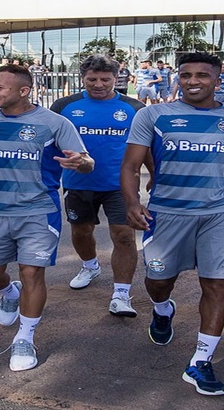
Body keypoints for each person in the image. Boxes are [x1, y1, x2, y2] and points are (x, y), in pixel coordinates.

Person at [121, 52, 224, 396]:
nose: (193, 81)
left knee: (218, 285)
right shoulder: (152, 114)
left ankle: (200, 362)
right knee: (158, 281)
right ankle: (162, 309)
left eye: (202, 75)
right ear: (177, 78)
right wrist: (133, 202)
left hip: (222, 214)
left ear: (218, 77)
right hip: (166, 214)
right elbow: (131, 166)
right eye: (186, 75)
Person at [0, 64, 94, 372]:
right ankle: (9, 294)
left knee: (32, 274)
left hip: (38, 212)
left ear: (24, 91)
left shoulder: (54, 123)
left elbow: (86, 161)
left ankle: (25, 337)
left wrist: (81, 163)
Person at [49, 55, 148, 317]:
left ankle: (121, 294)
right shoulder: (65, 105)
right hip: (77, 183)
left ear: (117, 79)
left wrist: (156, 177)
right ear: (83, 78)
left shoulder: (133, 107)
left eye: (106, 79)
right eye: (92, 79)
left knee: (124, 235)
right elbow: (48, 141)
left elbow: (146, 147)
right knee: (81, 232)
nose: (99, 84)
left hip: (120, 185)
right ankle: (90, 266)